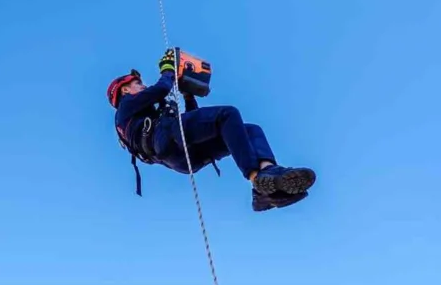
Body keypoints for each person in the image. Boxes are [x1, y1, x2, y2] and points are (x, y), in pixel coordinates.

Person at [107, 49, 316, 212]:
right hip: (167, 138)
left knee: (250, 130)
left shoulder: (140, 116)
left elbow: (194, 123)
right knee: (227, 114)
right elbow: (162, 88)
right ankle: (256, 179)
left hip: (181, 155)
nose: (142, 86)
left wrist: (188, 96)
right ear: (125, 89)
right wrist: (168, 69)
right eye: (138, 83)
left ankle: (267, 176)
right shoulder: (125, 107)